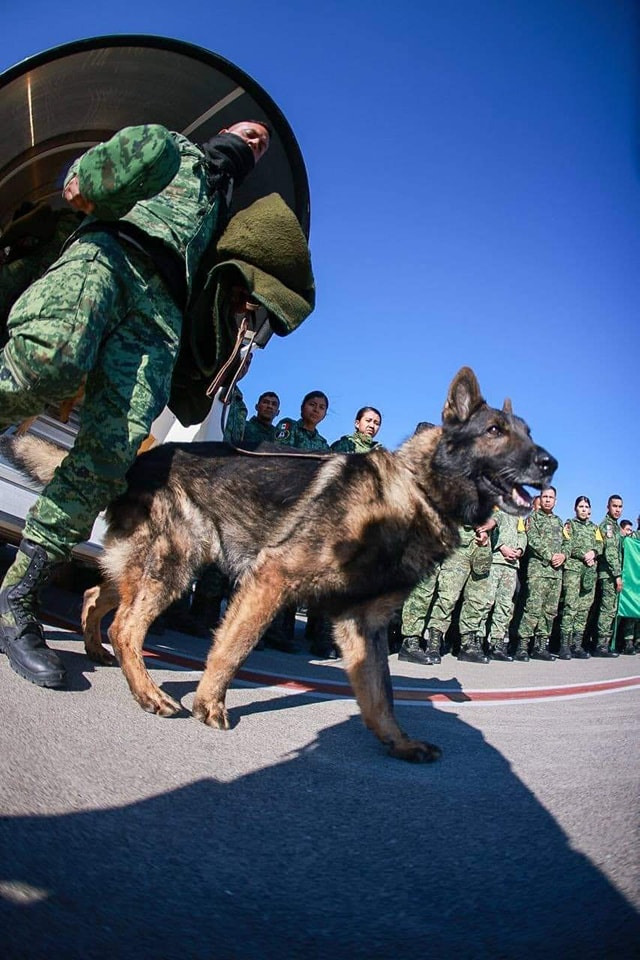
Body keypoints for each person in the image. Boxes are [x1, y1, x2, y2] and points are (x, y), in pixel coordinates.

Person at [0, 119, 273, 688]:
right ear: (224, 130)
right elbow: (83, 182)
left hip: (160, 316)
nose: (255, 143)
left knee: (109, 454)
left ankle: (17, 596)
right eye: (249, 132)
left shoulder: (223, 223)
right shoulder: (170, 149)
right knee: (48, 362)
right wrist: (92, 178)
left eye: (262, 145)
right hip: (110, 256)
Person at [421, 523, 494, 665]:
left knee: (477, 599)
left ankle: (467, 646)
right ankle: (434, 643)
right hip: (459, 545)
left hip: (482, 547)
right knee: (447, 597)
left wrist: (492, 521)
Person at [514, 486, 566, 662]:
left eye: (551, 497)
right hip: (538, 572)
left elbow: (568, 542)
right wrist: (550, 555)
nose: (548, 500)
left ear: (555, 501)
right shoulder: (533, 518)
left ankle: (540, 646)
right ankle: (522, 646)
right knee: (532, 609)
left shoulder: (560, 522)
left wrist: (563, 555)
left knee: (549, 611)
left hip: (556, 573)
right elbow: (533, 540)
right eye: (545, 497)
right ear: (541, 499)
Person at [557, 496, 603, 659]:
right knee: (571, 606)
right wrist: (583, 554)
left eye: (586, 507)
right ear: (575, 509)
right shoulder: (570, 524)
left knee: (584, 609)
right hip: (573, 570)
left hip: (589, 572)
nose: (584, 509)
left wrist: (594, 553)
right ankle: (564, 646)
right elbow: (567, 544)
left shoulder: (595, 527)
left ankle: (577, 644)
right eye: (581, 506)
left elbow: (600, 544)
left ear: (590, 510)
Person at [482, 508, 527, 662]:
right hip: (496, 560)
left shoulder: (518, 514)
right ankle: (479, 641)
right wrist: (502, 547)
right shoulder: (495, 507)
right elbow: (490, 527)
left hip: (512, 565)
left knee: (505, 606)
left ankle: (497, 644)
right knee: (487, 602)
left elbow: (522, 534)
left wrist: (519, 550)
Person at [594, 494, 624, 657]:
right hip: (609, 575)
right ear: (608, 507)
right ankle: (601, 646)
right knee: (607, 610)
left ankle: (605, 644)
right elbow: (611, 553)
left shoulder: (616, 526)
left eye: (620, 507)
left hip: (612, 574)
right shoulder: (608, 527)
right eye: (614, 506)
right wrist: (618, 575)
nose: (617, 510)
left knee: (611, 609)